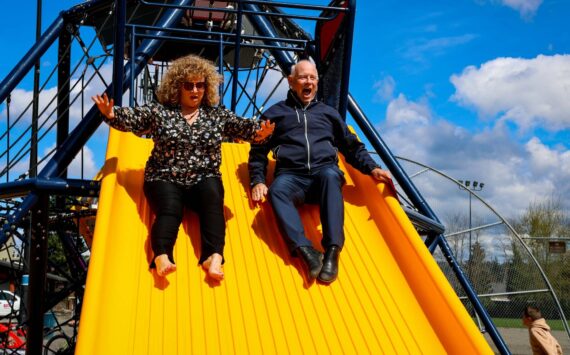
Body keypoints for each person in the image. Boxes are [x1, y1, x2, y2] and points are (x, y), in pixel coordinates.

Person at [93, 54, 274, 280]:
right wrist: (111, 114)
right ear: (177, 87)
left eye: (200, 85)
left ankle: (213, 256)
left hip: (203, 176)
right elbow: (135, 118)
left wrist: (260, 132)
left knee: (213, 201)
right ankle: (162, 255)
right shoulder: (161, 112)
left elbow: (243, 127)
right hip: (164, 175)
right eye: (189, 85)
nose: (195, 90)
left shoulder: (216, 115)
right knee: (170, 210)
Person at [248, 59, 391, 283]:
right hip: (291, 176)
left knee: (331, 175)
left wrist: (372, 168)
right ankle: (307, 252)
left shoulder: (328, 113)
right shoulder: (274, 114)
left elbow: (351, 147)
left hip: (323, 175)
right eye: (303, 77)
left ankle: (332, 251)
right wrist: (257, 180)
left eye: (312, 77)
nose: (309, 82)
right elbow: (257, 152)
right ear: (291, 81)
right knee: (277, 191)